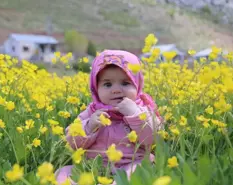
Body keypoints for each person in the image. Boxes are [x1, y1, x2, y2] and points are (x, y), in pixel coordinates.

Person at [56, 50, 162, 184]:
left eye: (125, 83)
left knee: (139, 170)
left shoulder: (142, 110)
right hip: (95, 166)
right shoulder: (92, 111)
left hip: (131, 163)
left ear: (137, 84)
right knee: (64, 171)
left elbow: (153, 139)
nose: (116, 90)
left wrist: (134, 115)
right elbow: (73, 142)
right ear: (96, 88)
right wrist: (89, 126)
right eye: (107, 84)